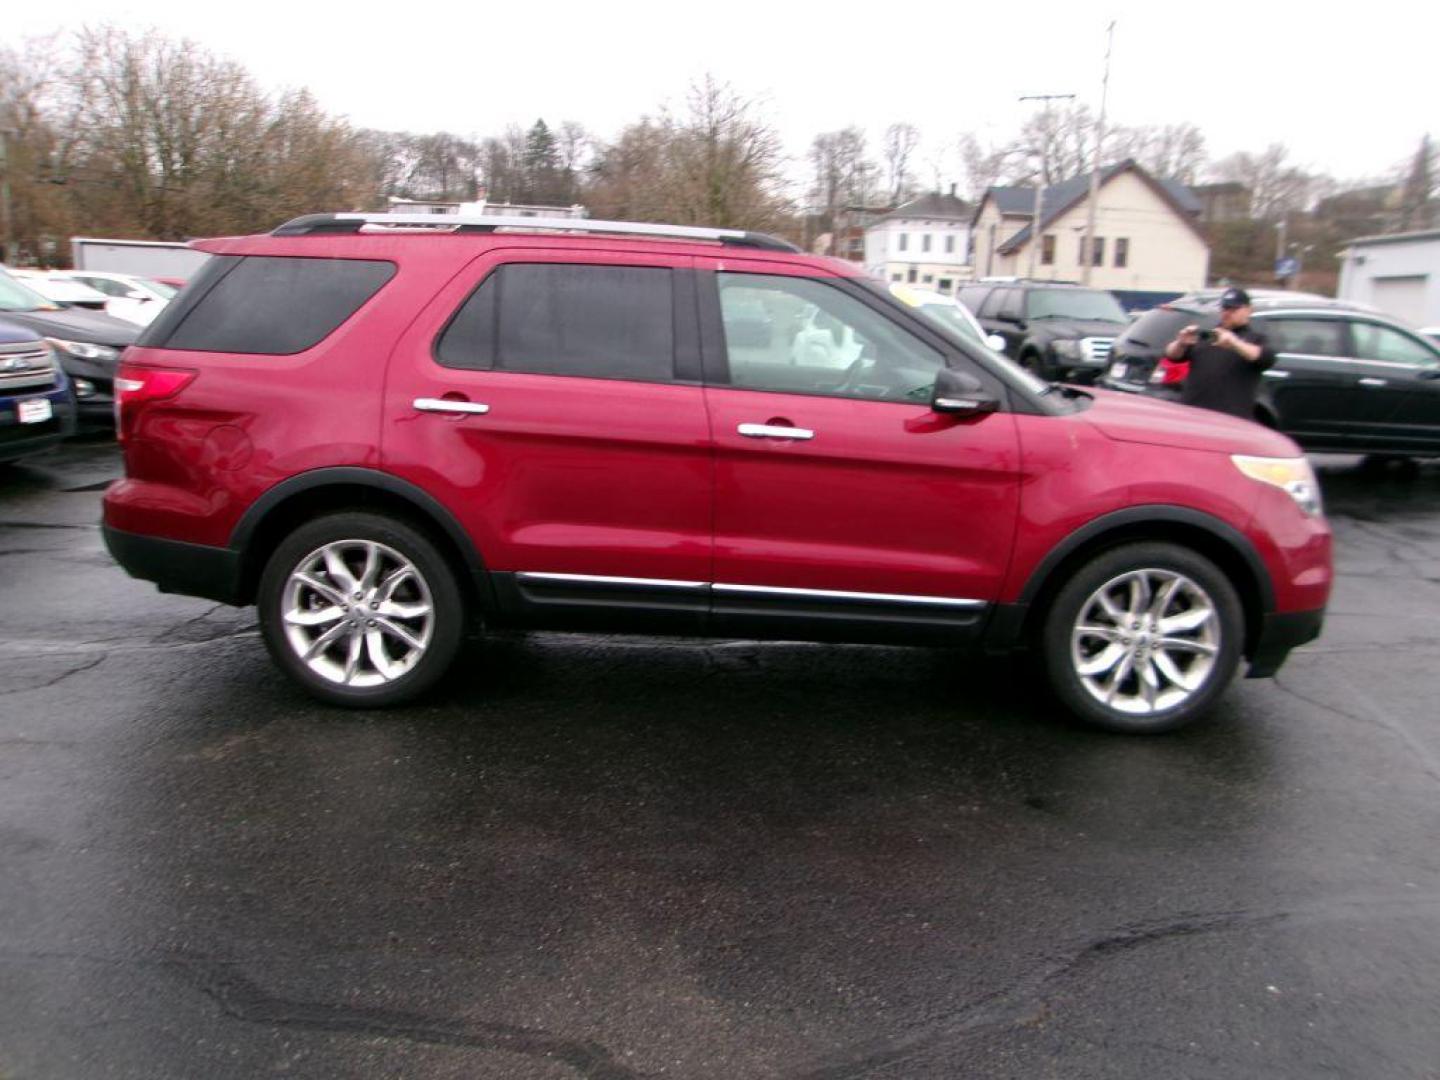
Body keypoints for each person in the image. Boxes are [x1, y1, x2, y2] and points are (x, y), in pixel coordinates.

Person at [1164, 287, 1276, 419]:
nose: (1227, 313)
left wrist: (1234, 343)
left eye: (1233, 309)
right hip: (1193, 414)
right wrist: (1180, 343)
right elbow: (1172, 356)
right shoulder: (1207, 336)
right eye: (1224, 308)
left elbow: (1265, 357)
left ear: (1248, 310)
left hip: (1229, 419)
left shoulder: (1255, 339)